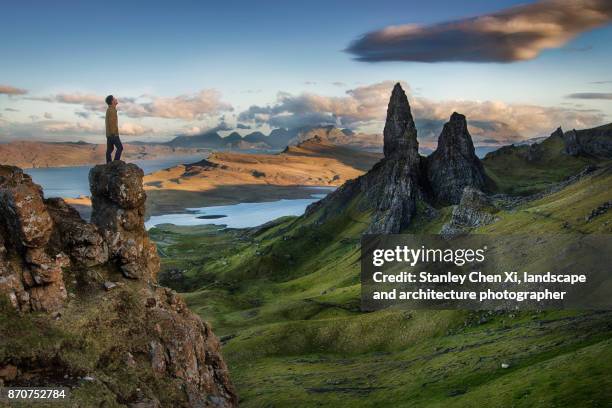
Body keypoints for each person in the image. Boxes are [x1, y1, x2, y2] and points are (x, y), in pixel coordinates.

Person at [105, 94, 123, 163]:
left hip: (109, 134)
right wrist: (113, 133)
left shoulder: (109, 109)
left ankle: (109, 163)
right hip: (113, 134)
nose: (116, 99)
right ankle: (115, 163)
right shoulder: (112, 110)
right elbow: (112, 123)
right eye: (115, 98)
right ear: (112, 101)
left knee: (110, 150)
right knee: (120, 148)